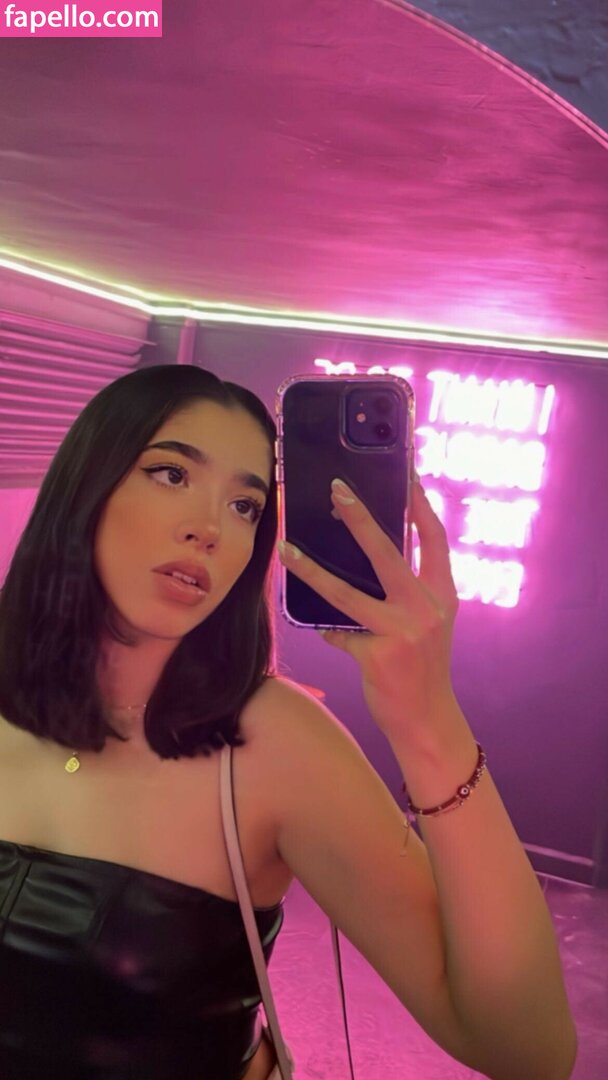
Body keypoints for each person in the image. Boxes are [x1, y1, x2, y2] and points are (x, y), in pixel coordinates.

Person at [0, 363, 576, 1080]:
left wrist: (429, 720)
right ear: (85, 482)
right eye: (172, 474)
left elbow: (528, 1051)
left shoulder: (274, 744)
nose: (210, 529)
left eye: (245, 506)